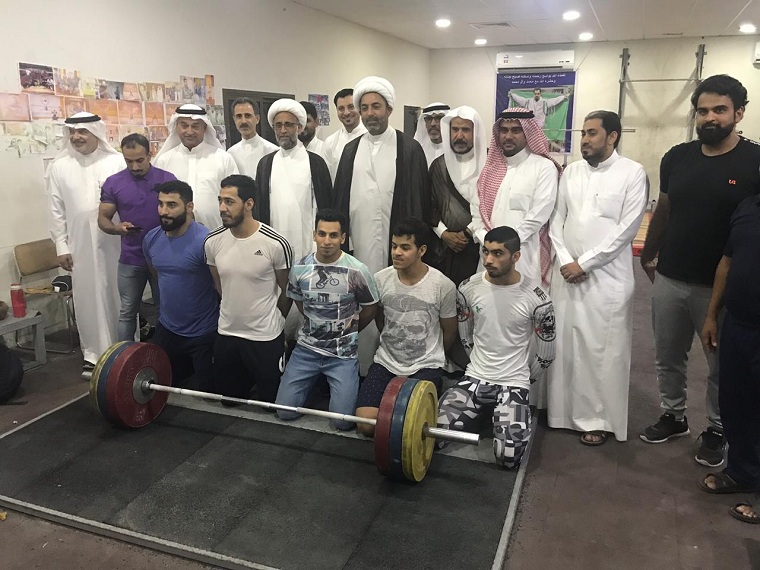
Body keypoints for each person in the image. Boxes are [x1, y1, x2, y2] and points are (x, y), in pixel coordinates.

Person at [639, 75, 760, 468]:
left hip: (722, 288)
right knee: (668, 355)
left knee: (720, 366)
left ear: (739, 113)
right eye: (703, 111)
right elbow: (664, 210)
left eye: (719, 110)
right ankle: (674, 415)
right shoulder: (677, 157)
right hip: (671, 277)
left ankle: (718, 428)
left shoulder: (755, 161)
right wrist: (649, 253)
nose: (709, 117)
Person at [547, 111, 648, 445]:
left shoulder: (632, 173)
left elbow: (627, 229)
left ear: (612, 136)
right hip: (566, 274)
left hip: (607, 279)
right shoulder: (572, 171)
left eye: (592, 133)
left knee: (601, 352)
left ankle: (598, 420)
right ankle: (561, 414)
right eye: (583, 134)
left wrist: (586, 263)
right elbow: (556, 220)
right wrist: (566, 260)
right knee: (565, 344)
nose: (585, 140)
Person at [437, 226, 555, 468]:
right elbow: (466, 336)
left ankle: (502, 414)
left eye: (498, 253)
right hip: (475, 377)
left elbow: (546, 354)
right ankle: (486, 412)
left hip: (513, 382)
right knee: (434, 434)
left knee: (508, 458)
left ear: (516, 256)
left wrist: (523, 379)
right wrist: (478, 366)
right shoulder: (467, 287)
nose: (488, 260)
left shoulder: (537, 298)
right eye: (486, 251)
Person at [275, 209, 379, 430]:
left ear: (343, 238)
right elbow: (300, 303)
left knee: (342, 423)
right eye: (322, 234)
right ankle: (308, 388)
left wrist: (349, 330)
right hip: (306, 350)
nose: (327, 241)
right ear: (314, 235)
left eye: (333, 235)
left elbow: (371, 308)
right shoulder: (299, 268)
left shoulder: (357, 270)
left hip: (342, 355)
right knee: (284, 412)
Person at [355, 217, 457, 436]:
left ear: (422, 250)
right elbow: (380, 319)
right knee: (365, 425)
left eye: (405, 247)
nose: (397, 253)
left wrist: (433, 354)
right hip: (386, 362)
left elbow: (449, 332)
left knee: (409, 427)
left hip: (426, 365)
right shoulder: (380, 279)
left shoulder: (442, 285)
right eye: (394, 246)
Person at [699, 191, 760, 524]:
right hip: (737, 324)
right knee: (736, 404)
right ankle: (743, 473)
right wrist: (712, 315)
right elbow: (727, 263)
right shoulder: (748, 207)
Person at [46, 112, 125, 369]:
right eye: (72, 132)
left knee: (119, 294)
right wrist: (61, 245)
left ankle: (125, 347)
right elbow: (56, 210)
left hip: (116, 242)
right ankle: (93, 353)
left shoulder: (116, 161)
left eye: (82, 131)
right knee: (87, 298)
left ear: (96, 133)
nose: (76, 137)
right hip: (79, 245)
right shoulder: (59, 166)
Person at [204, 175, 293, 402]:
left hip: (265, 336)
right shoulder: (212, 241)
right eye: (220, 201)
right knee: (229, 401)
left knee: (270, 405)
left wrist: (276, 320)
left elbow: (288, 290)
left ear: (249, 204)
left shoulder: (275, 243)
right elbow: (219, 284)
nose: (222, 208)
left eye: (229, 202)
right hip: (227, 333)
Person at [333, 75, 431, 275]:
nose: (370, 113)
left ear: (389, 109)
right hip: (358, 237)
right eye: (365, 108)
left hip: (395, 239)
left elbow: (419, 203)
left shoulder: (409, 149)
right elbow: (340, 200)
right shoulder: (350, 150)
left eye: (376, 106)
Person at [469, 108, 560, 289]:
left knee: (523, 302)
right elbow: (476, 210)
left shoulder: (544, 167)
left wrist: (505, 245)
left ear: (528, 133)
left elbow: (538, 216)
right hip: (488, 254)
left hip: (523, 254)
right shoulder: (489, 168)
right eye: (504, 130)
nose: (508, 136)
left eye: (516, 130)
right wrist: (487, 240)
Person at [98, 134, 176, 342]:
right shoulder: (114, 183)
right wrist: (116, 228)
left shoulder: (167, 179)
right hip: (131, 257)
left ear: (150, 155)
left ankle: (164, 354)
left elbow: (183, 214)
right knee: (127, 312)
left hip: (163, 257)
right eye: (129, 161)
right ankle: (123, 356)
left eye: (139, 160)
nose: (134, 166)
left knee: (164, 310)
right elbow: (103, 219)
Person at [143, 180, 219, 391]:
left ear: (189, 207)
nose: (164, 211)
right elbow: (156, 273)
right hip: (167, 328)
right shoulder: (151, 239)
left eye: (172, 205)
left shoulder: (206, 241)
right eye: (160, 204)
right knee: (156, 387)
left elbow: (220, 285)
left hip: (203, 332)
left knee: (208, 395)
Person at [255, 99, 332, 261]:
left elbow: (325, 206)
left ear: (299, 128)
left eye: (288, 125)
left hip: (307, 243)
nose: (283, 130)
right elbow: (260, 208)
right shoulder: (266, 164)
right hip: (273, 240)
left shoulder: (315, 163)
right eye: (278, 125)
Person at [154, 103, 239, 229]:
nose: (189, 131)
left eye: (195, 126)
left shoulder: (224, 158)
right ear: (176, 127)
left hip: (216, 232)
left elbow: (235, 197)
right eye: (184, 126)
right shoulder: (164, 160)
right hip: (175, 233)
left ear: (204, 128)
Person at [429, 106, 487, 286]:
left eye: (465, 130)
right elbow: (429, 204)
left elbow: (493, 205)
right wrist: (444, 233)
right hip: (445, 249)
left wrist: (467, 233)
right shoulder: (438, 165)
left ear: (475, 132)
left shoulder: (490, 164)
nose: (459, 135)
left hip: (479, 247)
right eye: (455, 129)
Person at [227, 97, 278, 177]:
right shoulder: (230, 154)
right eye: (239, 116)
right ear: (234, 120)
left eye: (247, 116)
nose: (243, 121)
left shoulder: (272, 151)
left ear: (257, 119)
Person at [323, 88, 367, 180]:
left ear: (359, 108)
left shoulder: (371, 137)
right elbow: (328, 177)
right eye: (341, 109)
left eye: (351, 107)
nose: (346, 113)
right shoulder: (330, 142)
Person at [413, 102, 450, 166]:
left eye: (438, 118)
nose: (433, 124)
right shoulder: (419, 151)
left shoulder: (455, 150)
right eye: (429, 119)